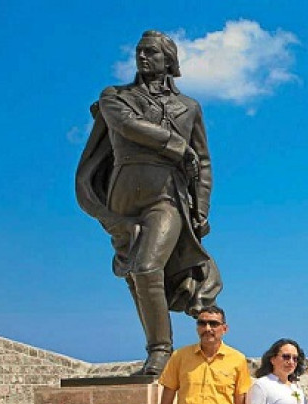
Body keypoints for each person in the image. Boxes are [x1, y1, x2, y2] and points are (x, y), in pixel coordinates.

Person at [76, 30, 221, 376]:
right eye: (140, 52)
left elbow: (202, 163)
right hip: (123, 197)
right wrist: (175, 145)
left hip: (165, 195)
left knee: (147, 267)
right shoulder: (115, 96)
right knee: (134, 274)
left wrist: (201, 210)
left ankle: (160, 351)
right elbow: (127, 126)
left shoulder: (189, 108)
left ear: (168, 61)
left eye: (152, 53)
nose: (143, 57)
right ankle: (157, 348)